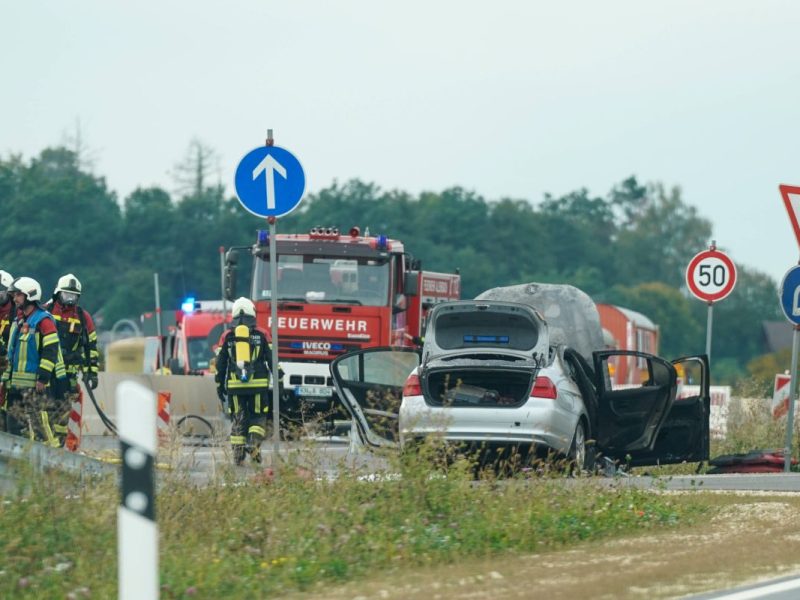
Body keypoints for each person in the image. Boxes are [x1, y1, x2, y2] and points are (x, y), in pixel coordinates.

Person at [0, 277, 67, 444]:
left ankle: (51, 462)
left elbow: (51, 351)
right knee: (13, 428)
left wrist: (43, 377)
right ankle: (19, 463)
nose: (14, 299)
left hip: (35, 387)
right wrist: (5, 381)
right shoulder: (19, 320)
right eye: (13, 295)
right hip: (15, 386)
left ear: (30, 295)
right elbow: (12, 354)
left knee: (41, 428)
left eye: (18, 295)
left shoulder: (43, 320)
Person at [215, 297, 272, 465]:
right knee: (258, 417)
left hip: (235, 386)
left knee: (238, 418)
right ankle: (253, 445)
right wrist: (279, 380)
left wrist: (220, 385)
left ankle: (238, 456)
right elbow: (271, 359)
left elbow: (220, 364)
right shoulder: (262, 334)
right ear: (252, 313)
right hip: (258, 386)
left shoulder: (227, 336)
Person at [45, 274, 99, 445]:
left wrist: (92, 373)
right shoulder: (45, 311)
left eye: (73, 296)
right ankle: (45, 445)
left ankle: (59, 446)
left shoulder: (83, 317)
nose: (70, 299)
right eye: (66, 295)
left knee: (62, 412)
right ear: (58, 293)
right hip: (47, 372)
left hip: (68, 375)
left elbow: (92, 347)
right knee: (44, 409)